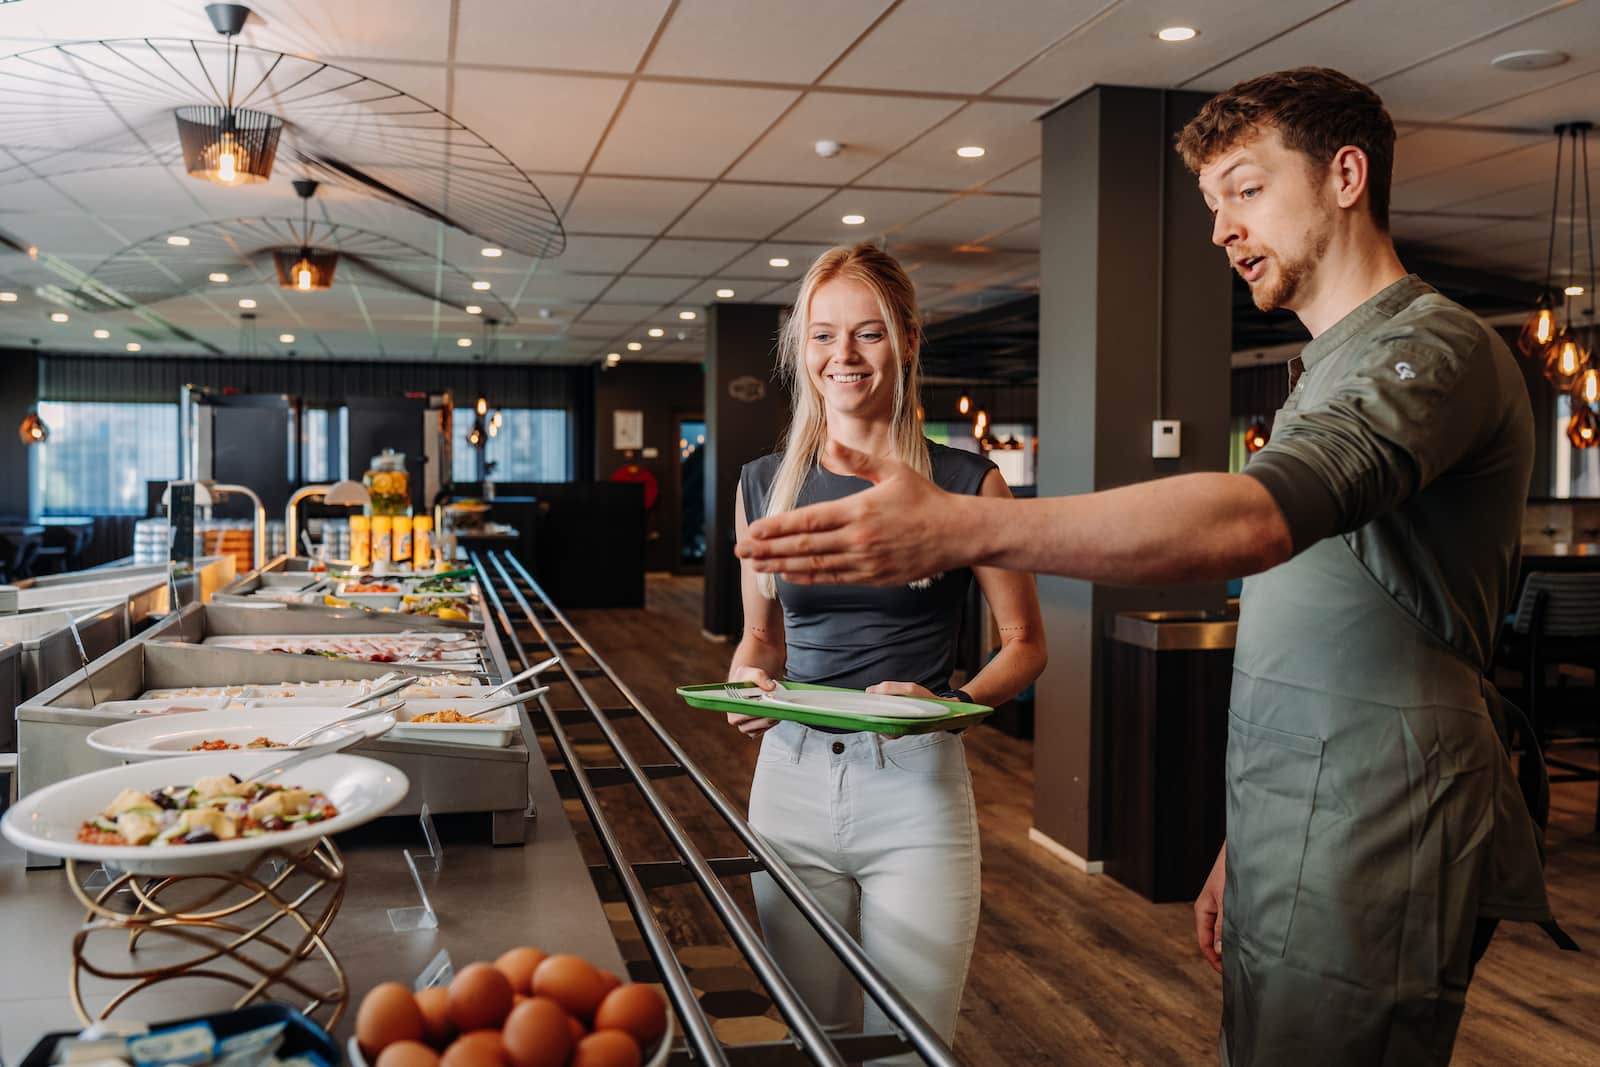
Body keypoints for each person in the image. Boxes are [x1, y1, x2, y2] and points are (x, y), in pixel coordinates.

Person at [735, 69, 1572, 1067]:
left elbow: (1253, 521)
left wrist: (963, 527)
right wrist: (1247, 840)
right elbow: (1316, 635)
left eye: (1246, 190)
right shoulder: (1321, 372)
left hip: (1378, 827)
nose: (1220, 228)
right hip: (1295, 825)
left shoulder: (1433, 349)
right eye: (1212, 202)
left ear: (1346, 175)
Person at [728, 243, 1047, 1063]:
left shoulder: (969, 481)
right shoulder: (765, 483)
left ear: (907, 338)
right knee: (814, 1038)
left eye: (868, 334)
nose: (845, 356)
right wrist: (746, 680)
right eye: (825, 335)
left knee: (908, 1046)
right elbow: (759, 637)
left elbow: (1026, 646)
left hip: (915, 789)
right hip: (789, 783)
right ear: (802, 349)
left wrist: (948, 707)